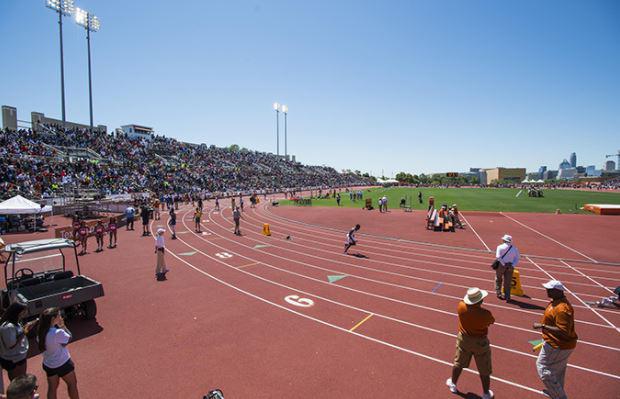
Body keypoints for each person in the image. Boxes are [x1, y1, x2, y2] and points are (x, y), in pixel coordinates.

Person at [446, 287, 495, 399]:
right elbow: (491, 321)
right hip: (480, 342)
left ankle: (453, 384)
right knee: (484, 368)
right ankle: (486, 393)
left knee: (458, 362)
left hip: (464, 339)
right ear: (481, 300)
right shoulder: (485, 314)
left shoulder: (461, 306)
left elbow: (463, 302)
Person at [533, 280, 578, 399]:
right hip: (555, 343)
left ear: (558, 291)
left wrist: (542, 326)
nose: (547, 291)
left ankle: (560, 396)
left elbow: (563, 331)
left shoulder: (562, 309)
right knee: (558, 370)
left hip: (557, 345)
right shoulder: (556, 302)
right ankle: (555, 392)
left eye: (550, 289)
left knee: (543, 368)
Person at [36, 307, 79, 399]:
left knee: (52, 388)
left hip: (49, 364)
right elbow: (69, 338)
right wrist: (63, 326)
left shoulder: (40, 333)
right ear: (53, 319)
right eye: (59, 315)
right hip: (63, 364)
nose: (60, 317)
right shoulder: (57, 332)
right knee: (72, 384)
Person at [0, 303, 37, 383]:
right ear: (17, 312)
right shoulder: (8, 327)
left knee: (20, 380)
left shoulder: (14, 322)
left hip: (16, 357)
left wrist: (25, 328)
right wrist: (25, 331)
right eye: (23, 312)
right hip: (14, 359)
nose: (24, 314)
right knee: (18, 382)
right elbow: (11, 345)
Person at [494, 234, 520, 301]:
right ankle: (507, 296)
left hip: (501, 265)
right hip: (510, 266)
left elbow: (498, 257)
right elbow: (517, 258)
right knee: (508, 282)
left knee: (498, 279)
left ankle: (499, 293)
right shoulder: (515, 248)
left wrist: (503, 264)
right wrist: (513, 265)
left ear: (504, 240)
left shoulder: (499, 247)